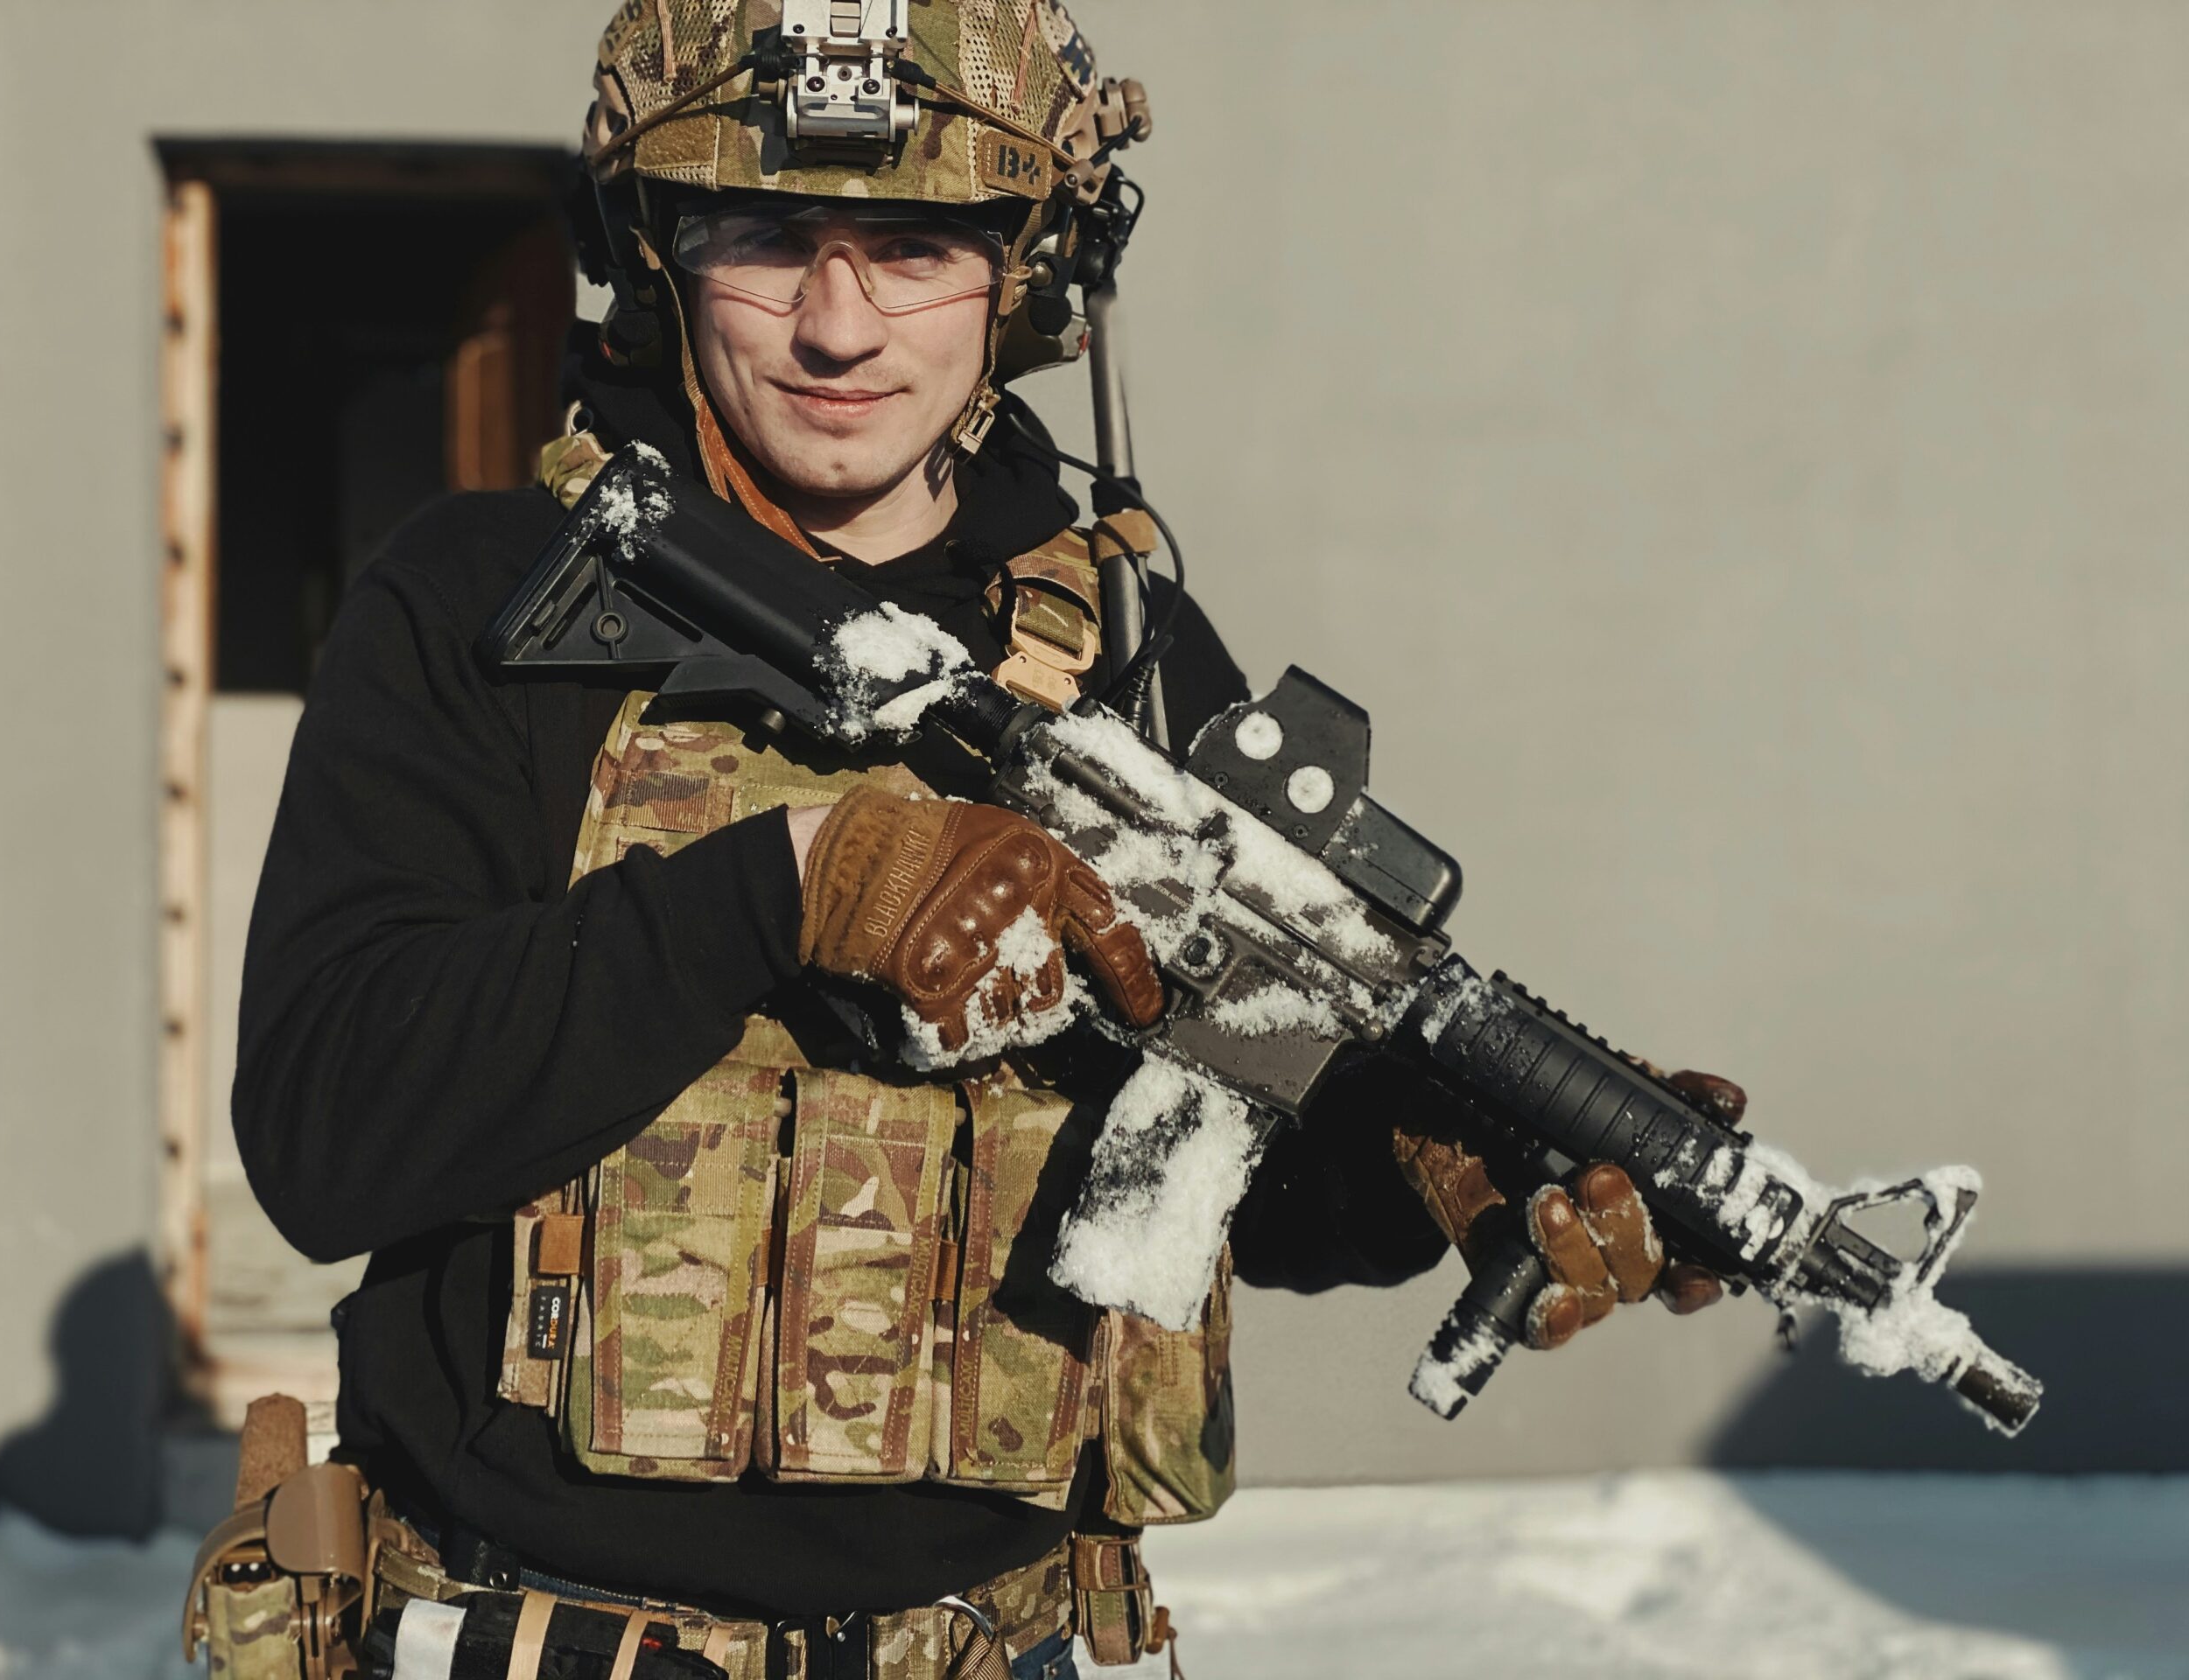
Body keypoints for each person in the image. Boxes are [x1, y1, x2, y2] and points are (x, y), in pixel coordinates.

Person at [221, 4, 1735, 1676]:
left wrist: (1434, 1169)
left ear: (1028, 279)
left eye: (918, 246)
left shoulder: (1128, 657)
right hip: (541, 1635)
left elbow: (1216, 1161)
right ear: (656, 258)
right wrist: (784, 890)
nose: (839, 326)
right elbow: (325, 1129)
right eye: (771, 239)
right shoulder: (492, 600)